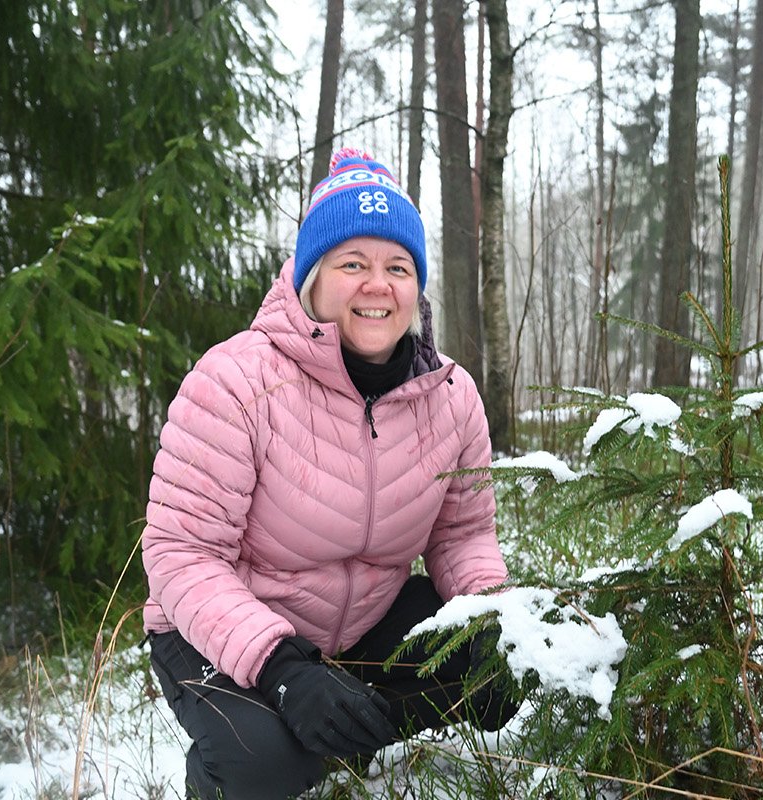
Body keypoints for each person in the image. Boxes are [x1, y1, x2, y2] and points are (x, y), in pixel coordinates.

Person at [141, 147, 519, 799]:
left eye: (397, 266)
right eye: (353, 264)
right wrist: (284, 669)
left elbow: (462, 535)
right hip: (222, 627)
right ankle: (245, 760)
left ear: (416, 286)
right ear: (310, 278)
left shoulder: (449, 394)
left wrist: (489, 615)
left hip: (360, 618)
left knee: (495, 673)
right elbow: (182, 556)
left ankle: (352, 735)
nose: (378, 285)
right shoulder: (235, 381)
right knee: (268, 768)